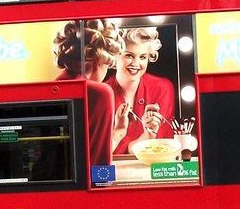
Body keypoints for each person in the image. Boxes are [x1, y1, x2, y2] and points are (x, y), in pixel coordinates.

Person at [53, 19, 123, 168]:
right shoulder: (99, 93)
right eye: (107, 66)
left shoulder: (55, 86)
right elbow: (98, 168)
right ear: (99, 59)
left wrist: (118, 132)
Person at [107, 26, 176, 155]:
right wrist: (144, 139)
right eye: (129, 56)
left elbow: (160, 143)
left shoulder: (162, 88)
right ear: (115, 56)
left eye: (143, 57)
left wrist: (148, 135)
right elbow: (105, 149)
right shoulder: (102, 94)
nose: (136, 63)